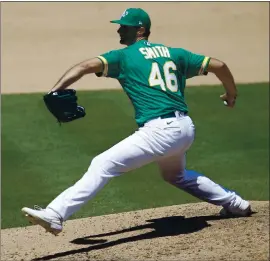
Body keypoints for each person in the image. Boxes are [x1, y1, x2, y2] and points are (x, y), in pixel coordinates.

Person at [22, 8, 251, 236]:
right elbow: (219, 65)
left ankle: (55, 214)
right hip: (184, 129)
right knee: (175, 175)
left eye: (125, 26)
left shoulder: (124, 56)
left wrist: (56, 89)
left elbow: (84, 66)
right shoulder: (176, 53)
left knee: (103, 164)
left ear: (140, 29)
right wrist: (231, 94)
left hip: (160, 131)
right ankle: (235, 204)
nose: (119, 29)